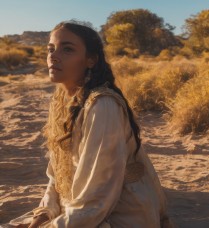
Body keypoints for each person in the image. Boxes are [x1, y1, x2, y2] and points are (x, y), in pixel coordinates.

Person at [7, 21, 171, 227]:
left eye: (67, 49)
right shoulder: (61, 101)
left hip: (117, 214)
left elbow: (98, 197)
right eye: (50, 49)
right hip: (76, 208)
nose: (53, 56)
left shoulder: (102, 106)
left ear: (91, 60)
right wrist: (45, 211)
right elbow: (57, 173)